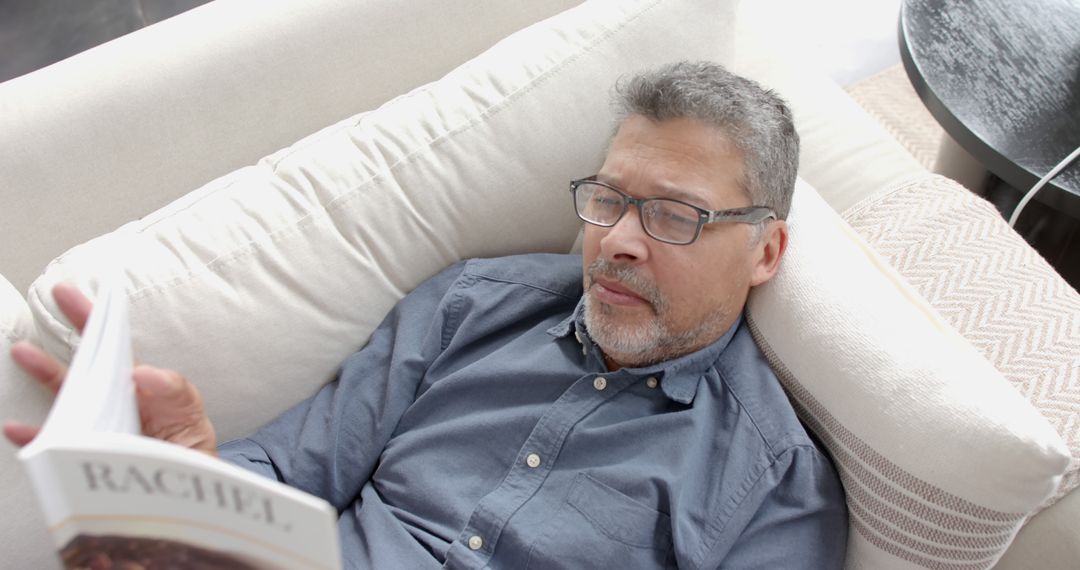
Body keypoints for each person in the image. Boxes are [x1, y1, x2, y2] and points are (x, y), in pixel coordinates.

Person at [5, 61, 847, 568]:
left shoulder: (773, 486)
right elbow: (297, 469)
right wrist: (185, 478)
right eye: (608, 200)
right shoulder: (473, 305)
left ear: (766, 251)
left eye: (673, 215)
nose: (619, 242)